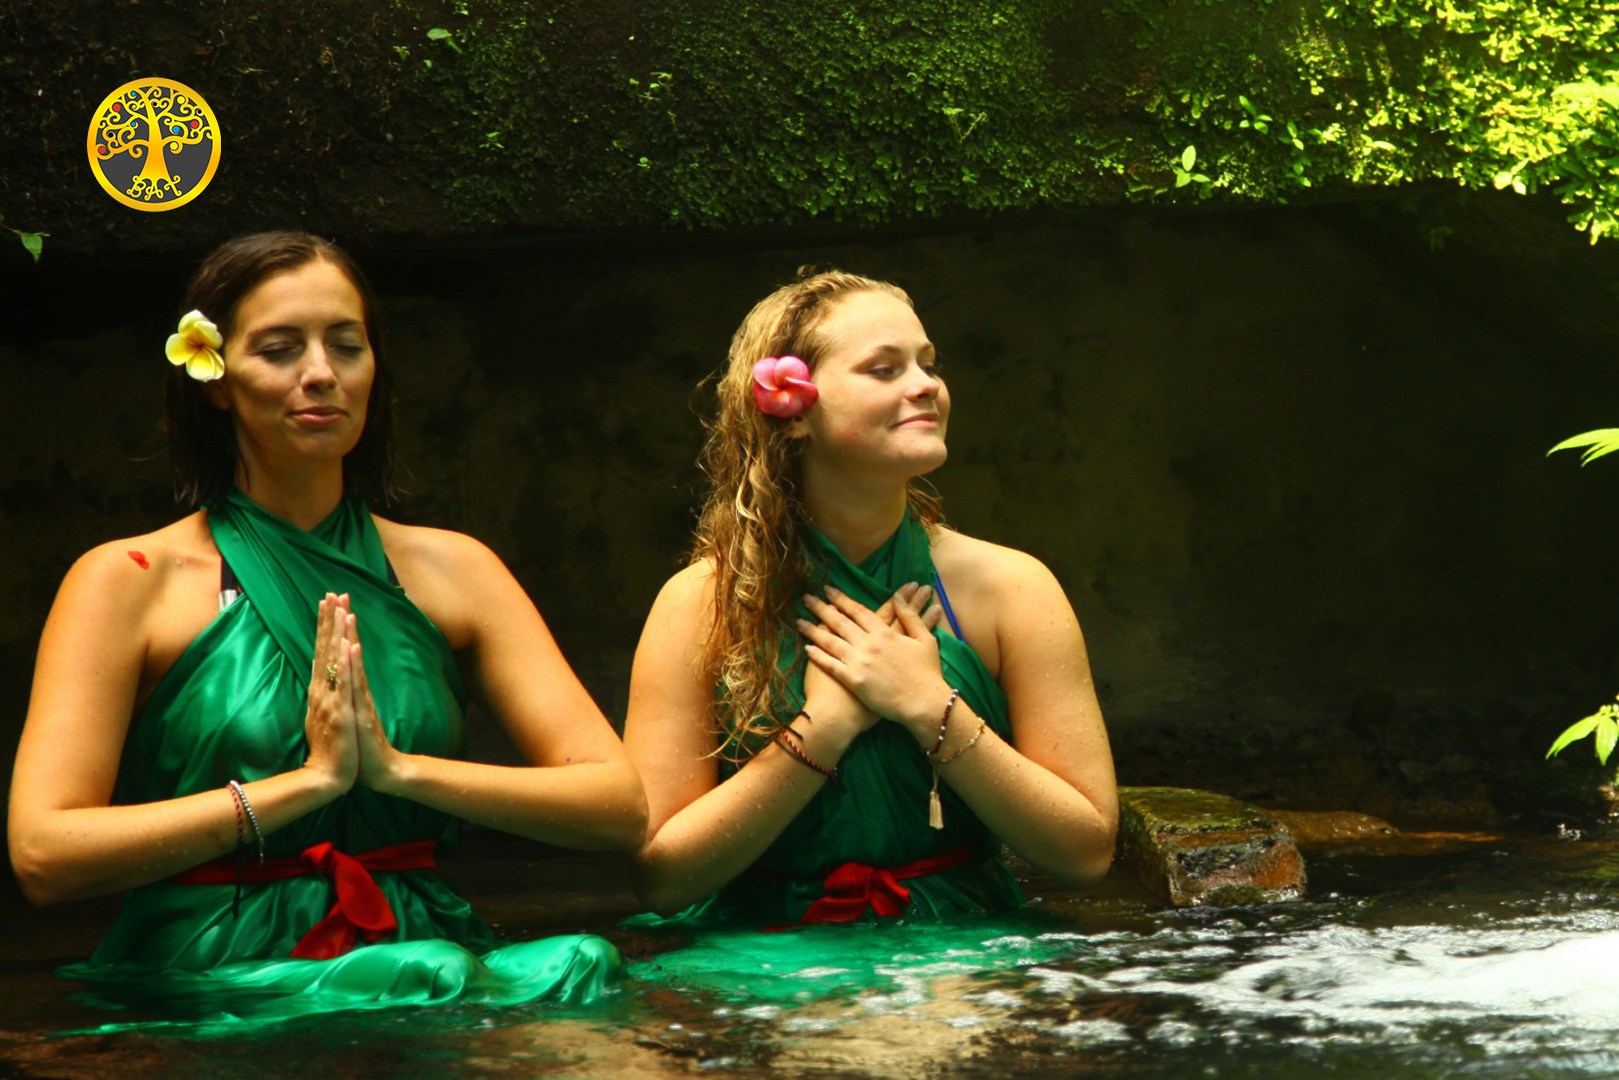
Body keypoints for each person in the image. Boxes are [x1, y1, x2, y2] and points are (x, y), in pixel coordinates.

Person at [7, 231, 647, 1028]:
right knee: (428, 975)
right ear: (214, 378)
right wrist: (302, 787)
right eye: (279, 349)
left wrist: (395, 771)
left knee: (583, 959)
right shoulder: (126, 581)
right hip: (214, 960)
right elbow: (43, 855)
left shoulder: (457, 571)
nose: (320, 373)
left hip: (422, 943)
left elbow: (616, 804)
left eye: (346, 345)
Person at [624, 269, 1116, 928]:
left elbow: (1084, 853)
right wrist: (822, 730)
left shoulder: (1012, 589)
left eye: (928, 364)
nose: (926, 386)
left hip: (965, 938)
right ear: (790, 412)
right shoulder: (699, 605)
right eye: (883, 370)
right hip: (761, 946)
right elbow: (660, 879)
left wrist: (928, 706)